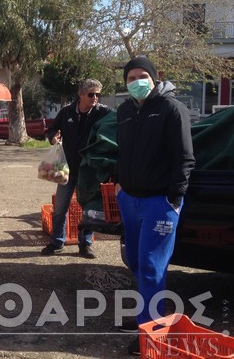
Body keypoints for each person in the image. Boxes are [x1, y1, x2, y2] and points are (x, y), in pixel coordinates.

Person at [115, 57, 195, 355]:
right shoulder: (124, 111)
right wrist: (121, 186)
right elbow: (123, 151)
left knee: (151, 266)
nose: (137, 81)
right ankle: (144, 318)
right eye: (131, 77)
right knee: (135, 262)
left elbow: (185, 158)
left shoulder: (171, 109)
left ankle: (151, 333)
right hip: (130, 200)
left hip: (159, 203)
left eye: (143, 75)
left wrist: (174, 200)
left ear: (155, 77)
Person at [42, 79, 112, 259]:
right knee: (60, 209)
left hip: (89, 172)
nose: (95, 98)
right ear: (80, 95)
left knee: (88, 209)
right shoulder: (66, 112)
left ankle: (85, 244)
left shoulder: (103, 113)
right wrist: (53, 138)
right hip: (68, 169)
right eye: (91, 94)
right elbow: (52, 130)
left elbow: (118, 121)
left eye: (97, 94)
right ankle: (58, 241)